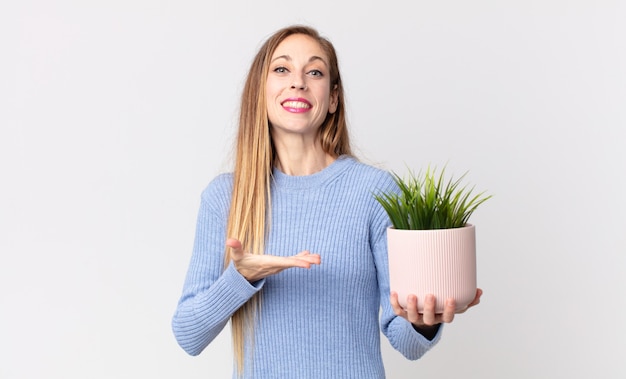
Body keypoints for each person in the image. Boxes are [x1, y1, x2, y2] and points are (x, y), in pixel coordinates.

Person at [172, 25, 482, 378]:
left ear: (333, 98)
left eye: (315, 72)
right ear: (260, 91)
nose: (298, 82)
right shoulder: (225, 197)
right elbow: (188, 334)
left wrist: (425, 322)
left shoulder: (374, 192)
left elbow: (406, 342)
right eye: (282, 69)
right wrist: (240, 276)